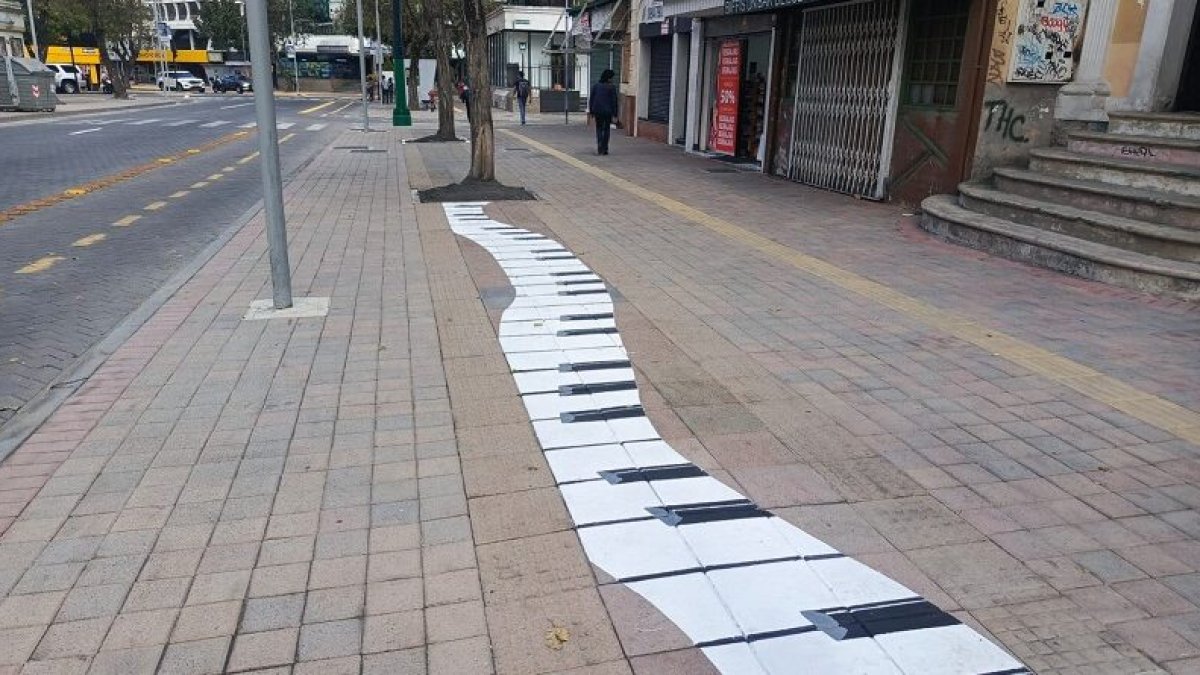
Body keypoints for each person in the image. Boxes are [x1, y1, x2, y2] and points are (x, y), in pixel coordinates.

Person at [588, 69, 618, 155]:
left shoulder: (596, 86)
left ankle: (600, 146)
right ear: (608, 78)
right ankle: (605, 148)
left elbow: (592, 99)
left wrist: (591, 111)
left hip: (597, 111)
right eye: (611, 78)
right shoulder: (611, 87)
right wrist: (615, 113)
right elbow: (614, 101)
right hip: (607, 112)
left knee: (599, 129)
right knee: (606, 129)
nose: (612, 79)